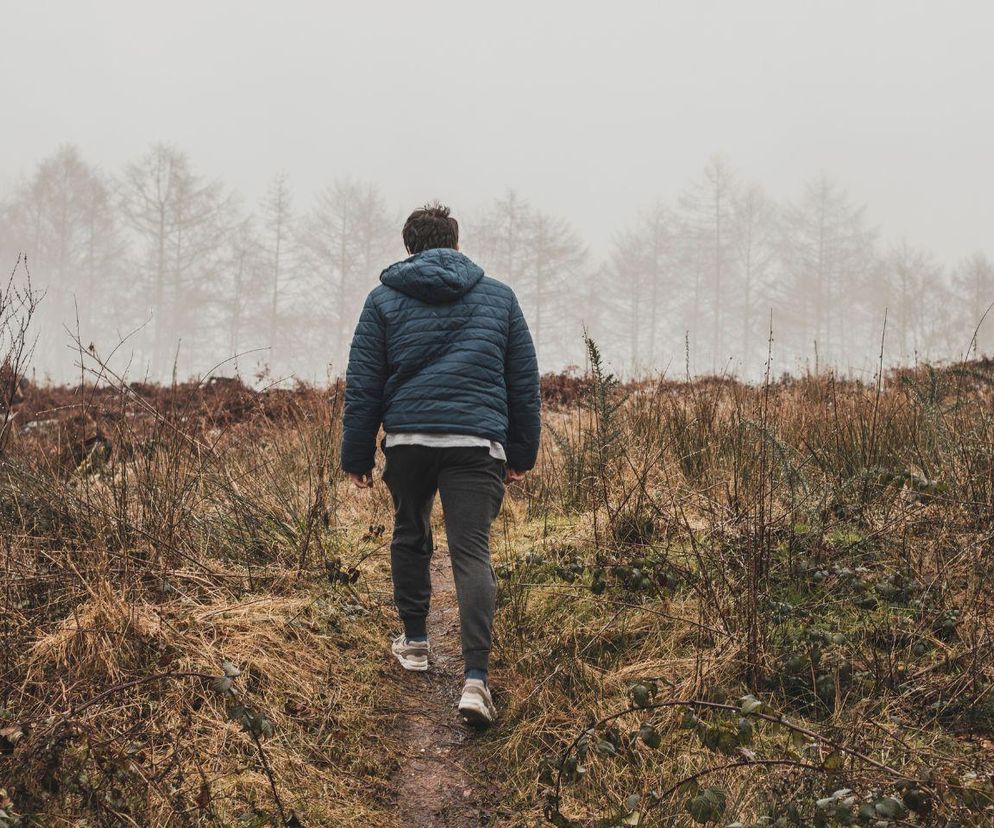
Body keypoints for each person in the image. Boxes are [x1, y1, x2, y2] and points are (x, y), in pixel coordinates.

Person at [340, 203, 541, 726]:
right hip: (476, 443)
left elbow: (363, 383)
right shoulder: (499, 297)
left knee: (411, 531)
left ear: (409, 247)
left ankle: (416, 643)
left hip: (407, 439)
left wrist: (357, 454)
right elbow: (523, 381)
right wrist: (522, 452)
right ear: (455, 242)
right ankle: (475, 681)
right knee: (471, 552)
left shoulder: (383, 300)